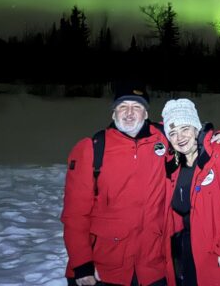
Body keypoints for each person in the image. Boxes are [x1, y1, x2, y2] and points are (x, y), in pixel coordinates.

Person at [61, 83, 170, 286]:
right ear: (113, 114)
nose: (129, 113)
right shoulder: (92, 148)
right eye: (122, 107)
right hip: (104, 269)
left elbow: (192, 135)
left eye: (136, 107)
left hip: (153, 269)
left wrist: (218, 135)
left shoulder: (164, 139)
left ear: (146, 114)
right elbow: (75, 214)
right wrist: (82, 264)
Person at [163, 98, 220, 286]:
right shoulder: (174, 164)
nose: (180, 138)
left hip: (216, 251)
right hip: (184, 250)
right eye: (173, 133)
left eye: (185, 129)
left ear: (196, 128)